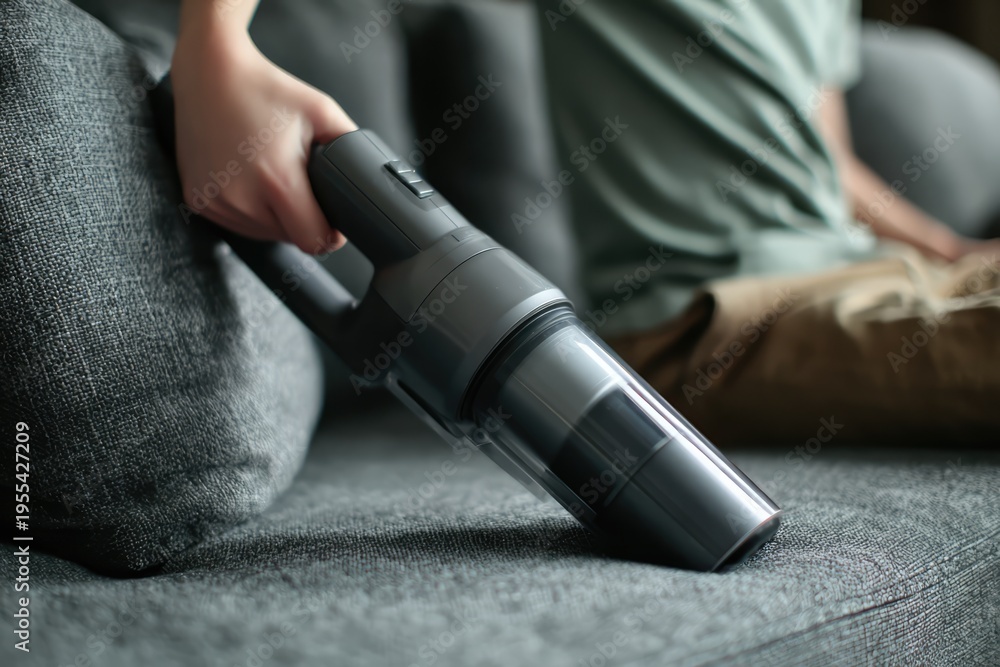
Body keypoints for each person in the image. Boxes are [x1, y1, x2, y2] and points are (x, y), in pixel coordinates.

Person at [172, 0, 1000, 444]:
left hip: (869, 266)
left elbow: (829, 156)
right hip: (710, 318)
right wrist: (215, 48)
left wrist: (952, 251)